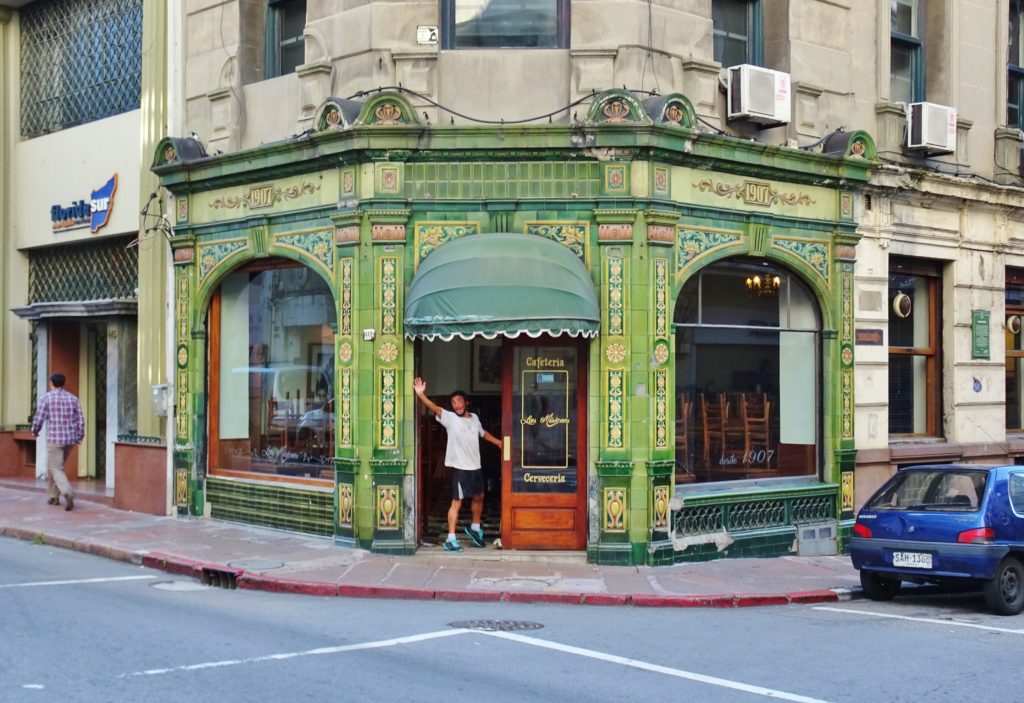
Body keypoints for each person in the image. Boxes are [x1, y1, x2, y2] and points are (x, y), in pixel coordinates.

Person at [414, 377, 501, 552]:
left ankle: (475, 528)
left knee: (479, 497)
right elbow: (434, 408)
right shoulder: (450, 418)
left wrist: (499, 442)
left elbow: (483, 433)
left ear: (466, 403)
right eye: (453, 402)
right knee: (457, 502)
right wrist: (421, 394)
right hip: (461, 468)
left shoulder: (474, 418)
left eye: (459, 401)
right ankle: (450, 539)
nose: (457, 405)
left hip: (476, 467)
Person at [31, 372, 85, 511]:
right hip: (69, 439)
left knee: (56, 468)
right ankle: (54, 497)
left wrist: (35, 430)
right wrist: (79, 436)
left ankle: (67, 492)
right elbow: (80, 419)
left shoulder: (47, 398)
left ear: (52, 383)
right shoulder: (73, 398)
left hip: (55, 439)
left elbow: (39, 417)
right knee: (56, 467)